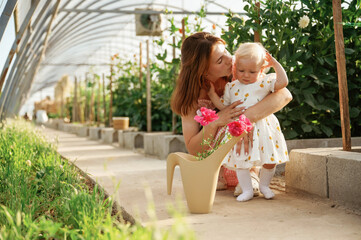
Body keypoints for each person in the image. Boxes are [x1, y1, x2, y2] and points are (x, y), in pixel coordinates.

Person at [170, 32, 292, 196]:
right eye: (220, 60)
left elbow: (284, 94)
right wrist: (216, 122)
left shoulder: (242, 72)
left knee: (247, 130)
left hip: (246, 147)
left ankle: (252, 174)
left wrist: (245, 119)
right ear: (204, 72)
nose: (230, 59)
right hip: (216, 153)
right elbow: (194, 149)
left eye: (226, 52)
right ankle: (227, 175)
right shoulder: (192, 96)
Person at [208, 42, 289, 201]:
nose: (246, 75)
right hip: (239, 128)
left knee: (269, 160)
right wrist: (212, 95)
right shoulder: (231, 87)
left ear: (261, 70)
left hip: (264, 127)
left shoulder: (264, 82)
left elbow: (283, 83)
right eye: (241, 70)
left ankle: (264, 185)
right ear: (235, 67)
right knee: (241, 160)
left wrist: (275, 63)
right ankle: (247, 190)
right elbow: (225, 106)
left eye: (252, 71)